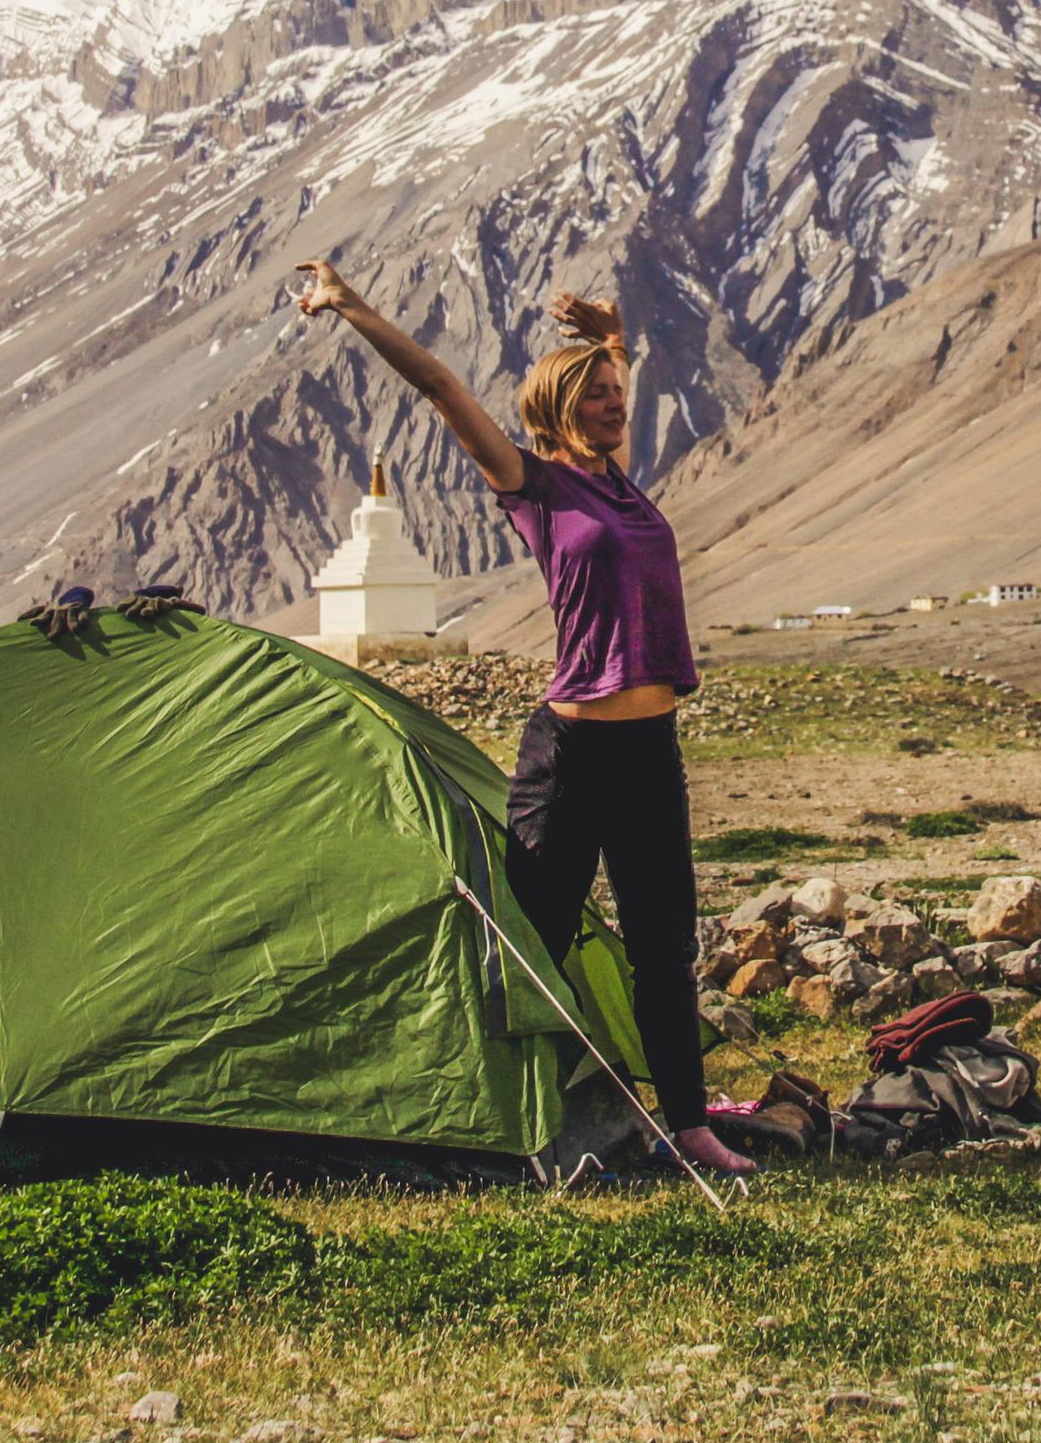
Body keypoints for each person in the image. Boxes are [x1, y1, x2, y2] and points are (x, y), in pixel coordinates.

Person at [289, 258, 758, 1179]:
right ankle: (494, 1119)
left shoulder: (623, 482)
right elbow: (438, 384)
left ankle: (690, 1127)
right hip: (573, 755)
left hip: (651, 749)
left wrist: (612, 338)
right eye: (599, 398)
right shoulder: (535, 487)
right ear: (559, 410)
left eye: (620, 395)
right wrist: (350, 307)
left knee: (663, 946)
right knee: (531, 941)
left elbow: (615, 381)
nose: (618, 407)